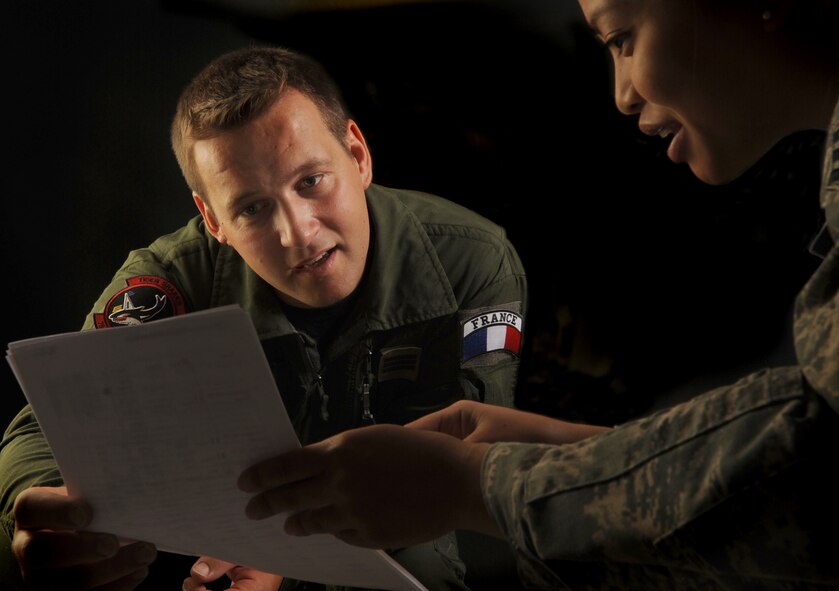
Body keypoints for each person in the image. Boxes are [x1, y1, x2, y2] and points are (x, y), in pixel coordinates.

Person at [233, 1, 839, 589]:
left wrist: (476, 484)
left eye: (624, 38)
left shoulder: (490, 255)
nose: (623, 94)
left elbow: (810, 477)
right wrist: (569, 460)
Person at [0, 46, 528, 591]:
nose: (297, 233)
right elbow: (44, 424)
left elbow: (464, 469)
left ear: (358, 154)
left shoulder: (470, 261)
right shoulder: (172, 278)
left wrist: (292, 558)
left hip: (408, 548)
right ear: (213, 220)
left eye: (311, 181)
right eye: (251, 208)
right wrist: (54, 519)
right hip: (210, 557)